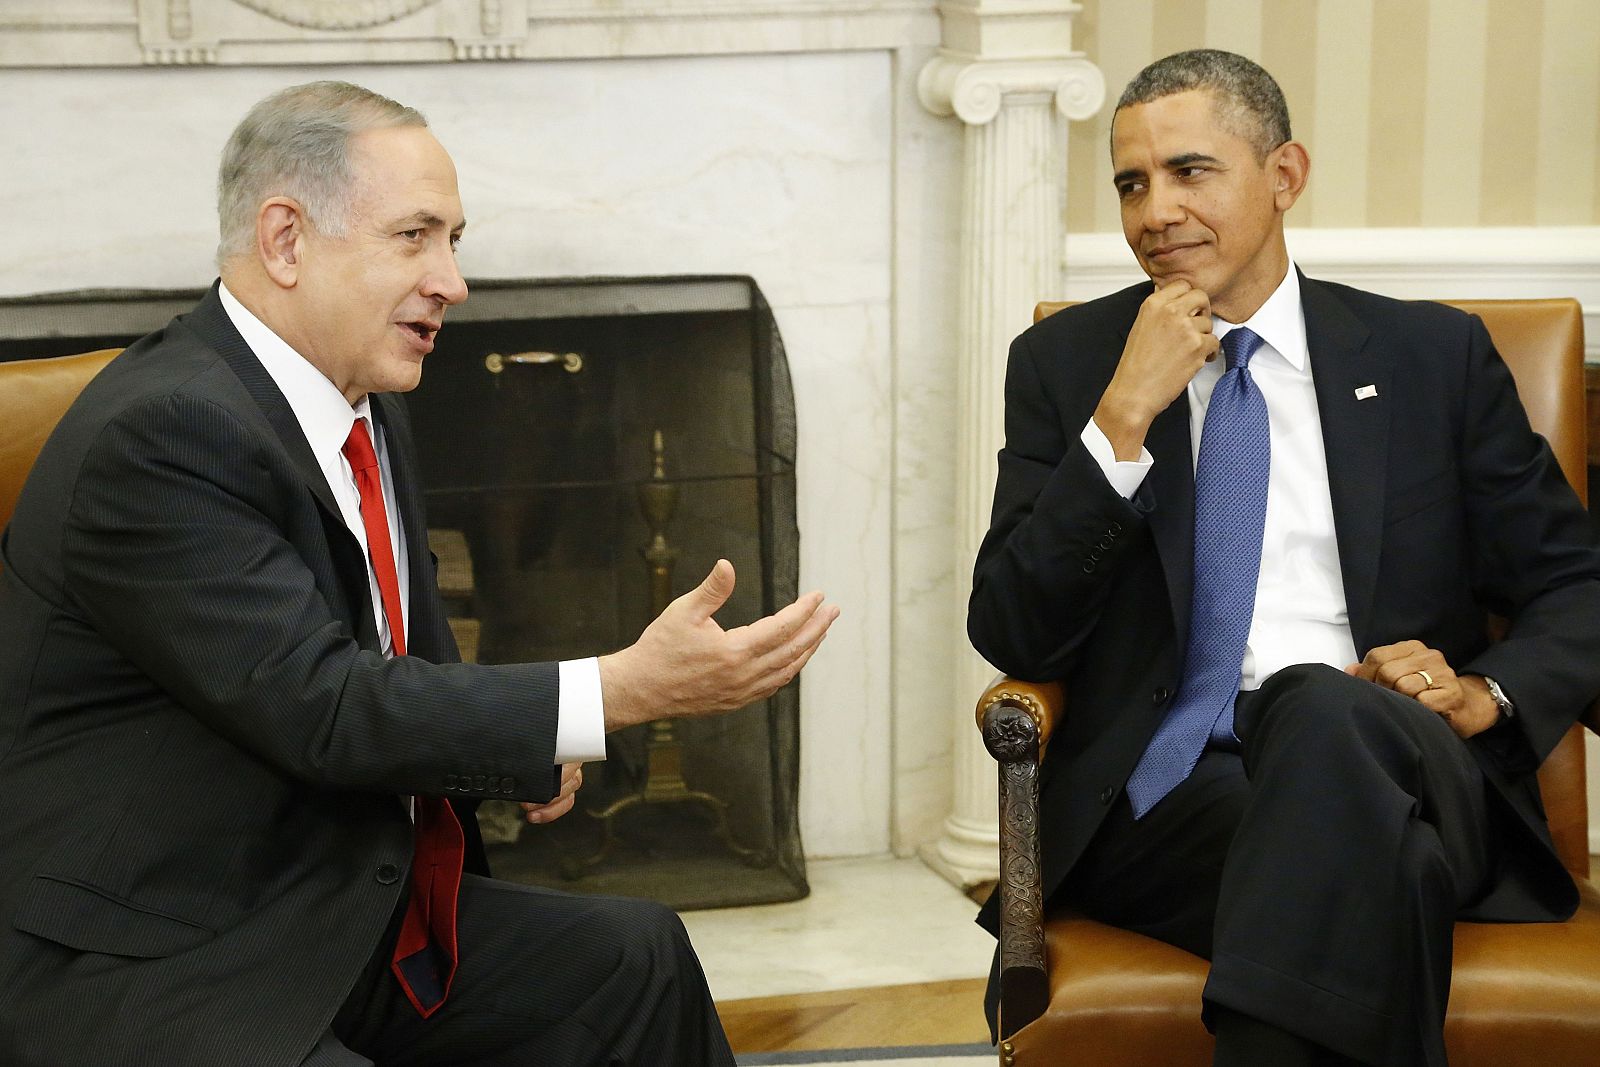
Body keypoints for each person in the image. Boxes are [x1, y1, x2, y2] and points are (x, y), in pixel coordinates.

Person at [0, 80, 837, 1067]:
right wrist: (615, 691)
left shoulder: (364, 399)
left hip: (322, 893)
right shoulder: (165, 432)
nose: (453, 280)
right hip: (156, 944)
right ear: (285, 239)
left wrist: (525, 745)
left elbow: (404, 645)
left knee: (635, 957)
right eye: (415, 236)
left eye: (455, 240)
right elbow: (324, 705)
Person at [968, 49, 1600, 1067]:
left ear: (1284, 175)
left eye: (1188, 171)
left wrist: (1485, 690)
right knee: (1378, 866)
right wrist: (1122, 418)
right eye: (1130, 184)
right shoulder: (1072, 367)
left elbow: (1576, 583)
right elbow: (1011, 627)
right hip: (1172, 801)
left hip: (1413, 762)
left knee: (1319, 704)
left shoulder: (1428, 359)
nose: (1152, 213)